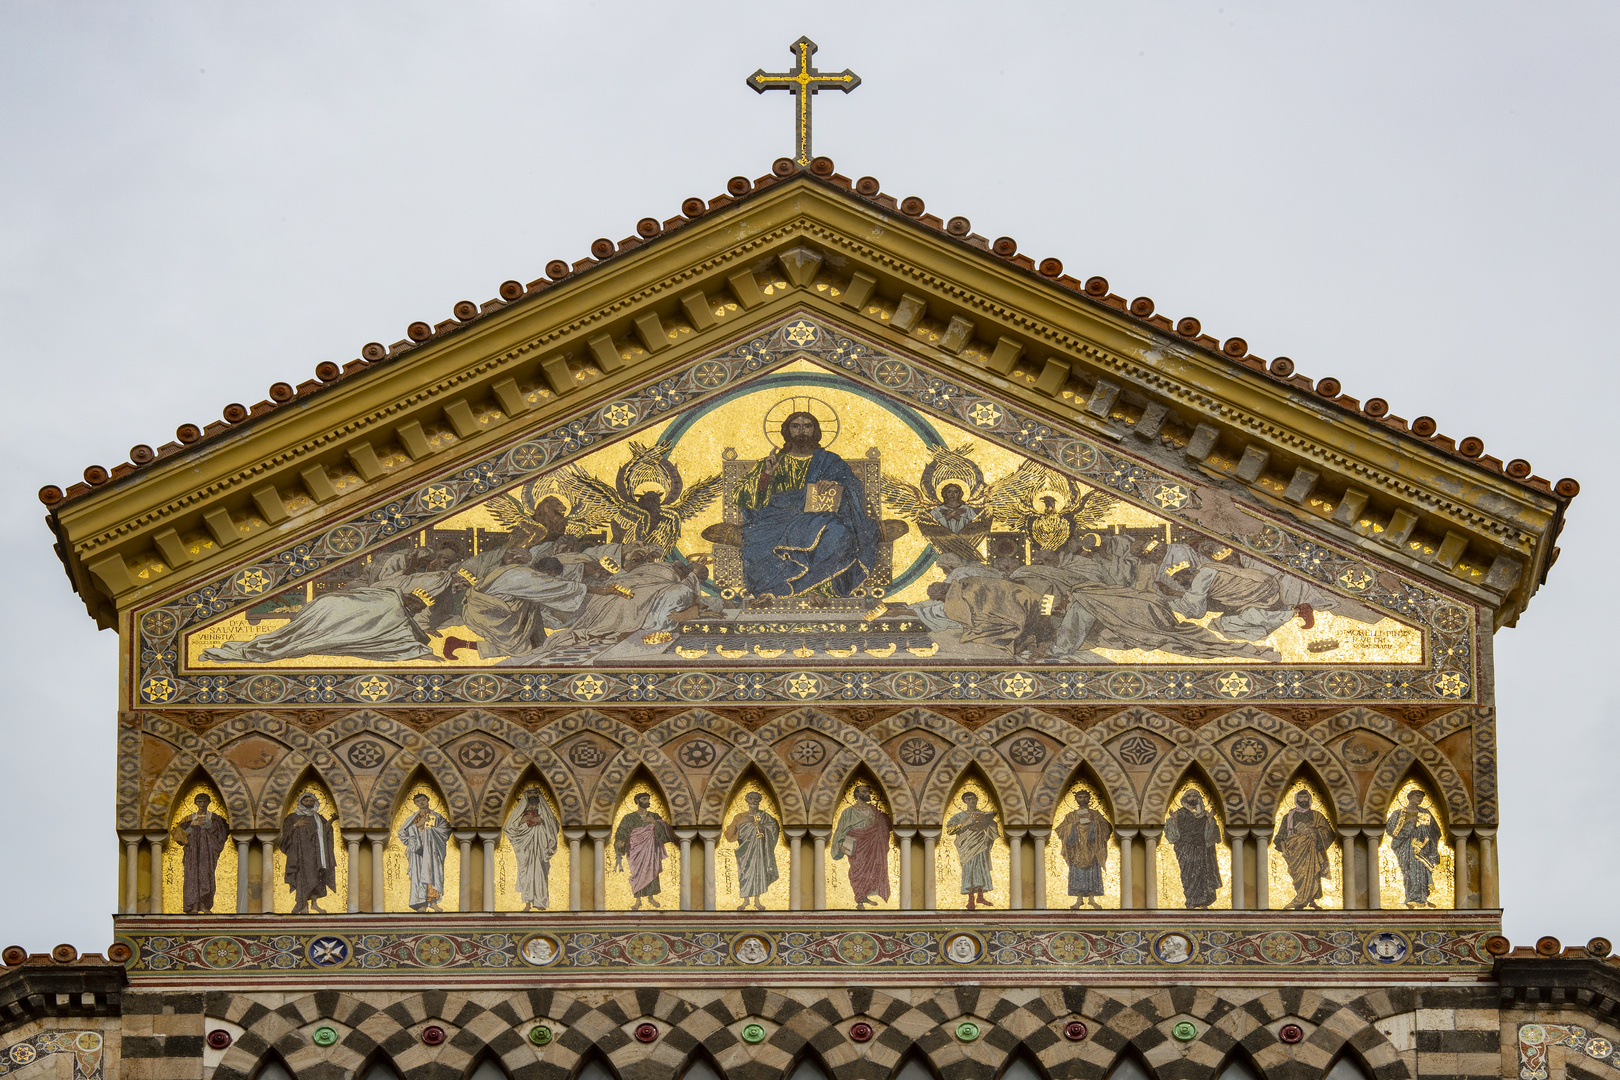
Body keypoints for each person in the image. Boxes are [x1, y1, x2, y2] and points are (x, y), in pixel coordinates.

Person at [200, 545, 462, 663]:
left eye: (446, 562)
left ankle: (285, 641)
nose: (440, 563)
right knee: (328, 602)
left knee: (338, 619)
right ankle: (286, 635)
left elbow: (429, 610)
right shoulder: (410, 566)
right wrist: (408, 568)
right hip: (372, 598)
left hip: (386, 608)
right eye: (439, 558)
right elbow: (382, 583)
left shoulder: (441, 579)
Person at [732, 411, 880, 598]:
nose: (802, 431)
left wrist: (835, 484)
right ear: (787, 431)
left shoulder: (830, 461)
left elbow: (853, 487)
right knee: (759, 542)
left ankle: (816, 589)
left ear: (815, 431)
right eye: (795, 426)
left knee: (838, 532)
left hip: (819, 517)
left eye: (807, 426)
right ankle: (779, 590)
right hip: (778, 517)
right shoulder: (773, 461)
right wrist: (766, 475)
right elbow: (740, 495)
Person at [830, 784, 893, 909]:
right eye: (864, 792)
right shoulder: (848, 812)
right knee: (857, 870)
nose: (867, 794)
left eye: (868, 792)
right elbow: (840, 831)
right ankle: (860, 897)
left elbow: (885, 825)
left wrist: (879, 821)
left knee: (875, 869)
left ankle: (865, 896)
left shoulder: (874, 811)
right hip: (857, 847)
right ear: (857, 794)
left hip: (873, 846)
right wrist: (840, 845)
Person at [1274, 790, 1336, 909]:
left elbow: (1328, 832)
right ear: (1296, 800)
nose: (1303, 801)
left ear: (1309, 799)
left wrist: (1313, 832)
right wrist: (1284, 849)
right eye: (1300, 798)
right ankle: (1300, 899)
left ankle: (1311, 901)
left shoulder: (1317, 816)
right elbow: (1280, 836)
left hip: (1312, 851)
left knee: (1313, 873)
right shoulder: (1289, 817)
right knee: (1300, 876)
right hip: (1295, 853)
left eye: (1305, 798)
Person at [277, 792, 337, 914]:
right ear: (300, 802)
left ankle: (314, 904)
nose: (309, 803)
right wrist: (295, 826)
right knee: (302, 878)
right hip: (300, 856)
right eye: (306, 801)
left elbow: (326, 830)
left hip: (316, 855)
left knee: (317, 877)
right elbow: (283, 837)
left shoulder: (318, 818)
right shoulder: (292, 818)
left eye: (311, 801)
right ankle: (303, 905)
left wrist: (332, 820)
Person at [613, 792, 675, 910]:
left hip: (651, 849)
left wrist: (655, 823)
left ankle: (651, 898)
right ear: (637, 801)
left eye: (648, 799)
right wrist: (620, 841)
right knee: (638, 873)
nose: (647, 801)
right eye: (644, 799)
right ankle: (638, 900)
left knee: (652, 870)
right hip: (636, 850)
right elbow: (622, 831)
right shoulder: (629, 818)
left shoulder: (654, 816)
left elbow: (665, 831)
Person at [170, 793, 229, 914]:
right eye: (199, 802)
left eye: (204, 801)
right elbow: (177, 835)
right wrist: (192, 825)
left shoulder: (215, 818)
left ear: (209, 803)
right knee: (192, 878)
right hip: (192, 855)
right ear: (195, 803)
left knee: (206, 876)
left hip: (207, 855)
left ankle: (204, 905)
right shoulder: (188, 819)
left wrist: (209, 825)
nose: (202, 804)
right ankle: (194, 906)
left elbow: (224, 831)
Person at [504, 788, 560, 912]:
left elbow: (554, 825)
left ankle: (540, 901)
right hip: (525, 849)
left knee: (540, 872)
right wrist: (523, 821)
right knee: (526, 874)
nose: (533, 795)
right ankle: (527, 904)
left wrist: (542, 821)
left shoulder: (544, 810)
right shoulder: (519, 811)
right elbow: (509, 828)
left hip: (541, 846)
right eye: (530, 793)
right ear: (525, 795)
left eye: (535, 793)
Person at [1163, 791, 1222, 908]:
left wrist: (1210, 819)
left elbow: (1212, 835)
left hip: (1202, 850)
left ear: (1199, 798)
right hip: (1186, 849)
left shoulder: (1204, 814)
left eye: (1195, 796)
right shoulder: (1180, 814)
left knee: (1203, 874)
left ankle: (1203, 902)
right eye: (1190, 796)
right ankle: (1191, 901)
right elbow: (1172, 836)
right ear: (1185, 799)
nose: (1192, 798)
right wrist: (1174, 821)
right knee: (1189, 875)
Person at [723, 791, 781, 910]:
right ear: (747, 801)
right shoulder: (740, 817)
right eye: (751, 798)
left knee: (759, 873)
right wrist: (744, 822)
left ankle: (757, 901)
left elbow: (774, 828)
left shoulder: (765, 816)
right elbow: (729, 834)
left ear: (759, 801)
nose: (754, 801)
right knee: (745, 873)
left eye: (756, 799)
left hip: (760, 851)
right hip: (745, 852)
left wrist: (762, 827)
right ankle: (745, 901)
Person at [1056, 790, 1113, 909]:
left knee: (1093, 873)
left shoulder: (1095, 814)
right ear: (1076, 799)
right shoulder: (1071, 816)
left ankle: (1092, 899)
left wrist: (1095, 822)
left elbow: (1107, 827)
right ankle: (1079, 899)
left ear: (1089, 799)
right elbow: (1060, 830)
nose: (1082, 799)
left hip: (1092, 848)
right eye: (1080, 797)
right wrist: (1073, 825)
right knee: (1077, 874)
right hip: (1077, 850)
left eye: (1085, 796)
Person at [945, 791, 1001, 910]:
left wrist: (989, 823)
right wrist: (965, 824)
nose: (972, 801)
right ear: (965, 801)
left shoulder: (982, 814)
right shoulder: (959, 816)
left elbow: (992, 827)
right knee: (969, 870)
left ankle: (980, 897)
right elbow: (949, 830)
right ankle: (971, 900)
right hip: (966, 847)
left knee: (981, 868)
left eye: (974, 798)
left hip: (981, 844)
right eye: (969, 799)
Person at [1385, 789, 1440, 907]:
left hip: (1423, 847)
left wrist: (1426, 834)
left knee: (1423, 871)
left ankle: (1423, 898)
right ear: (1410, 797)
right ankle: (1411, 897)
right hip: (1407, 848)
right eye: (1417, 796)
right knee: (1410, 871)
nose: (1419, 799)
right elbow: (1390, 830)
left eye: (1421, 797)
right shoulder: (1399, 813)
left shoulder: (1426, 812)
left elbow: (1436, 830)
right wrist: (1408, 823)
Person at [398, 793, 451, 912]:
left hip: (432, 851)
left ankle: (433, 902)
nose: (421, 803)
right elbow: (402, 833)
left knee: (433, 876)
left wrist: (430, 832)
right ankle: (421, 903)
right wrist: (417, 825)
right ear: (415, 804)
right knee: (419, 877)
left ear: (428, 800)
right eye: (418, 801)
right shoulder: (412, 819)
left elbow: (446, 830)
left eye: (423, 800)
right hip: (418, 854)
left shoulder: (437, 817)